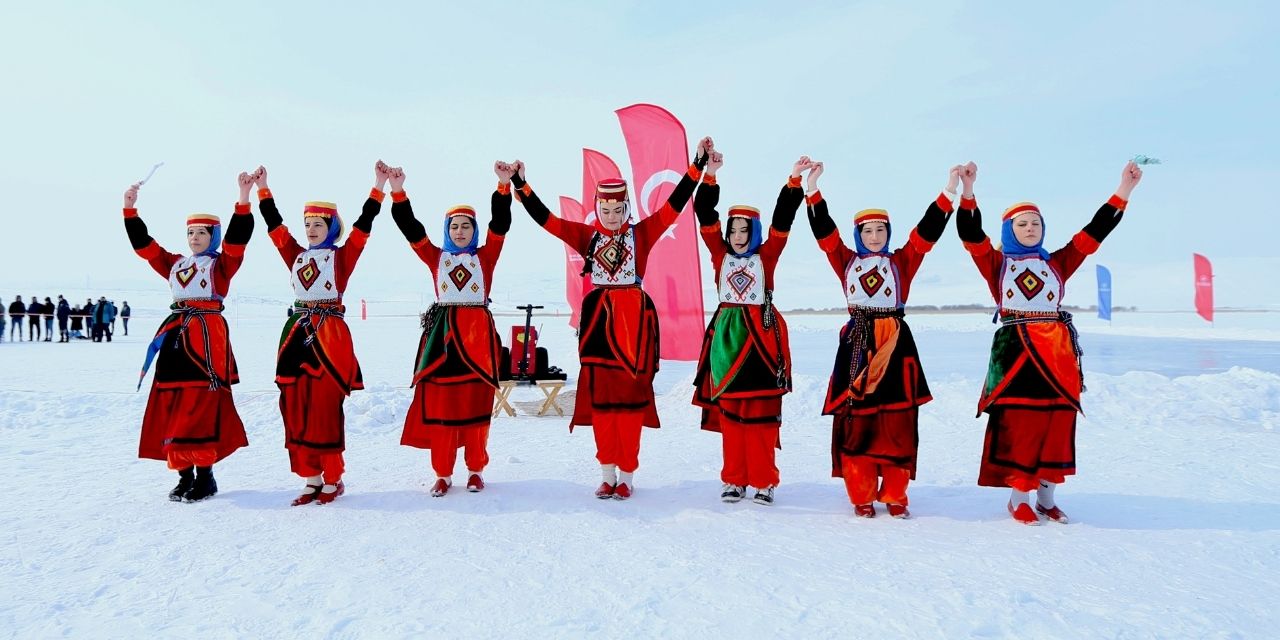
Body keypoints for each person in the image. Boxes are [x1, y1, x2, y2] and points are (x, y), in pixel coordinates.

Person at [510, 137, 711, 500]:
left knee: (630, 406)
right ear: (597, 208)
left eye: (618, 209)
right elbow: (549, 221)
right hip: (598, 330)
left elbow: (674, 206)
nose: (612, 216)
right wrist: (521, 185)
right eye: (606, 209)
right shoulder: (586, 235)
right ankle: (606, 473)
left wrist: (696, 165)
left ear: (626, 208)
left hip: (634, 330)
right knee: (602, 404)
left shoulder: (641, 234)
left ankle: (627, 475)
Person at [955, 161, 1143, 525]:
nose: (1030, 228)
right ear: (1009, 230)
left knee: (1057, 423)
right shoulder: (996, 264)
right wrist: (968, 191)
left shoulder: (1058, 262)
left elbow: (1095, 232)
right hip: (1017, 355)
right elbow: (970, 233)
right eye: (1022, 224)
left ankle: (1046, 498)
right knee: (1022, 424)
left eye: (1036, 224)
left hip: (1056, 355)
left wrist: (1124, 189)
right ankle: (1019, 498)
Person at [805, 162, 958, 519]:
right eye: (868, 231)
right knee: (858, 420)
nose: (874, 237)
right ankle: (861, 493)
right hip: (857, 344)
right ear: (858, 234)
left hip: (896, 345)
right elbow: (825, 233)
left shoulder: (902, 261)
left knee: (896, 421)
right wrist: (812, 189)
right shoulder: (846, 260)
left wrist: (950, 189)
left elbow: (927, 233)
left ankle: (895, 493)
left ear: (888, 233)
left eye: (880, 230)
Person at [123, 169, 256, 503]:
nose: (194, 237)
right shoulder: (176, 264)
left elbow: (237, 243)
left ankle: (205, 477)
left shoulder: (221, 265)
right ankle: (184, 475)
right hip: (175, 339)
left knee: (200, 406)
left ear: (213, 236)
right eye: (190, 232)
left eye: (201, 232)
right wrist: (130, 210)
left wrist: (243, 199)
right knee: (172, 401)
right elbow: (147, 249)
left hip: (205, 338)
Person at [259, 162, 387, 506]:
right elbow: (276, 229)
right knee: (296, 408)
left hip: (329, 337)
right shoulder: (296, 256)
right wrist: (262, 190)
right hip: (297, 336)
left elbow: (362, 227)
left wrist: (378, 187)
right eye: (307, 224)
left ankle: (333, 478)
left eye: (318, 224)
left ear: (331, 227)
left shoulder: (341, 257)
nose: (311, 229)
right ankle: (311, 478)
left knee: (324, 410)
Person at [691, 149, 807, 506]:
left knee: (762, 418)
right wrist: (710, 175)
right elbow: (704, 212)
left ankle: (764, 480)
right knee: (732, 418)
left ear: (754, 232)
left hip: (762, 342)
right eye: (733, 229)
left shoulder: (766, 256)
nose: (738, 235)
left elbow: (783, 221)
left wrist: (794, 181)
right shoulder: (719, 254)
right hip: (727, 342)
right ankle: (734, 479)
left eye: (745, 230)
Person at [392, 161, 512, 497]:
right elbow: (411, 229)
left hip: (477, 342)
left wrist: (503, 187)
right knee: (442, 410)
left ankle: (475, 470)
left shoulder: (485, 258)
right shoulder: (437, 258)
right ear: (447, 230)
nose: (460, 232)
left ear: (474, 230)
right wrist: (398, 192)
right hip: (442, 344)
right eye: (454, 226)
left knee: (477, 409)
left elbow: (500, 224)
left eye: (466, 226)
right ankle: (443, 473)